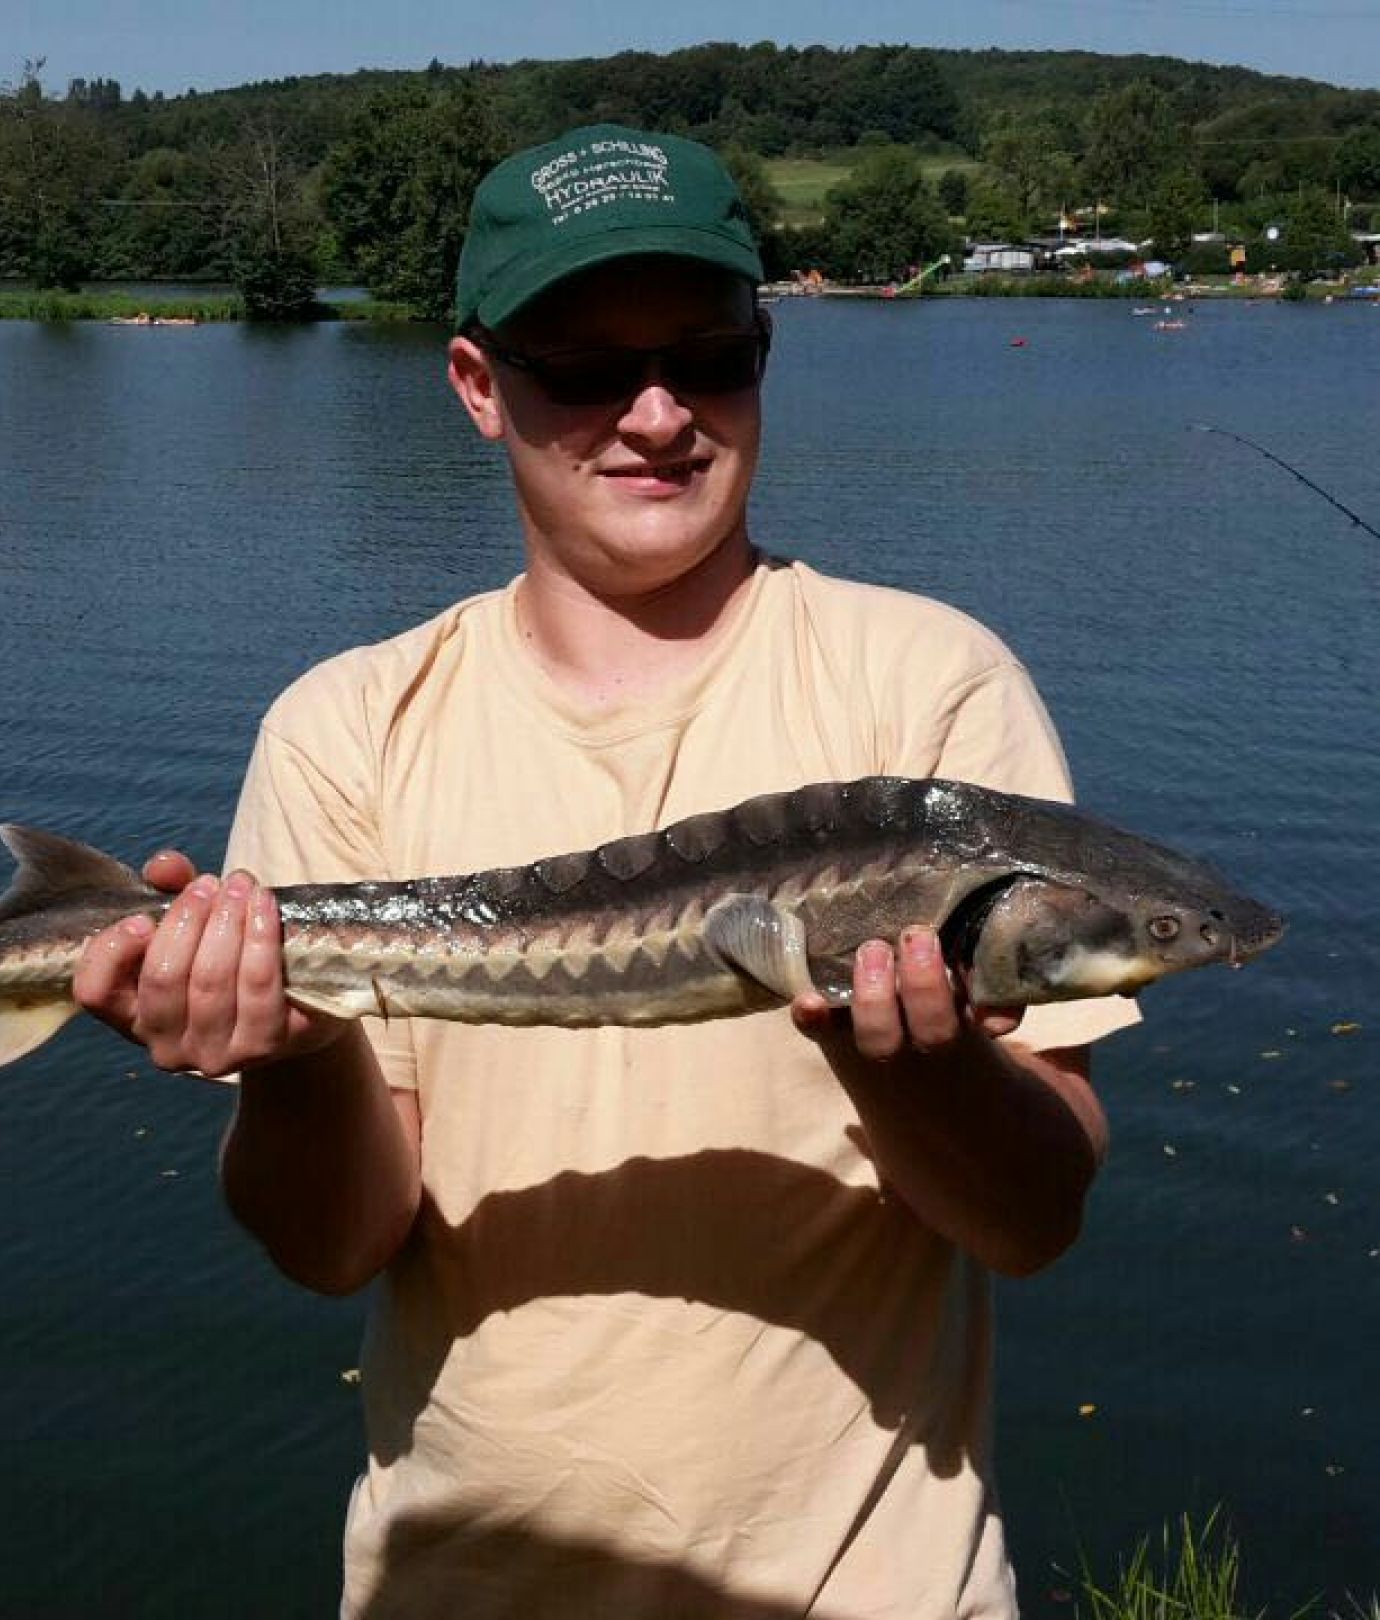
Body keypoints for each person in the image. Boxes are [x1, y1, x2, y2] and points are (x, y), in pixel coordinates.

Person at [74, 125, 1137, 1619]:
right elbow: (334, 1249)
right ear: (474, 385)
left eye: (711, 354)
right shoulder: (347, 732)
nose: (658, 414)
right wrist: (297, 1059)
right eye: (582, 368)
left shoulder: (932, 693)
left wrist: (919, 1069)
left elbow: (1033, 1221)